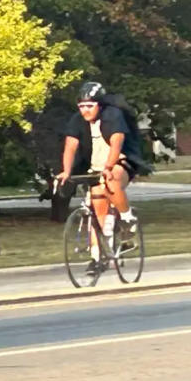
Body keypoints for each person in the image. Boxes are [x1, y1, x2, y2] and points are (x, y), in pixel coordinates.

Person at [56, 81, 146, 270]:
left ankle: (127, 218)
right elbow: (70, 147)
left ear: (99, 105)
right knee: (98, 210)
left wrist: (109, 166)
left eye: (90, 106)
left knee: (112, 181)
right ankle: (99, 257)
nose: (85, 110)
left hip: (121, 161)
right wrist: (66, 171)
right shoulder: (77, 120)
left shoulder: (112, 115)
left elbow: (117, 143)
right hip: (96, 167)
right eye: (82, 106)